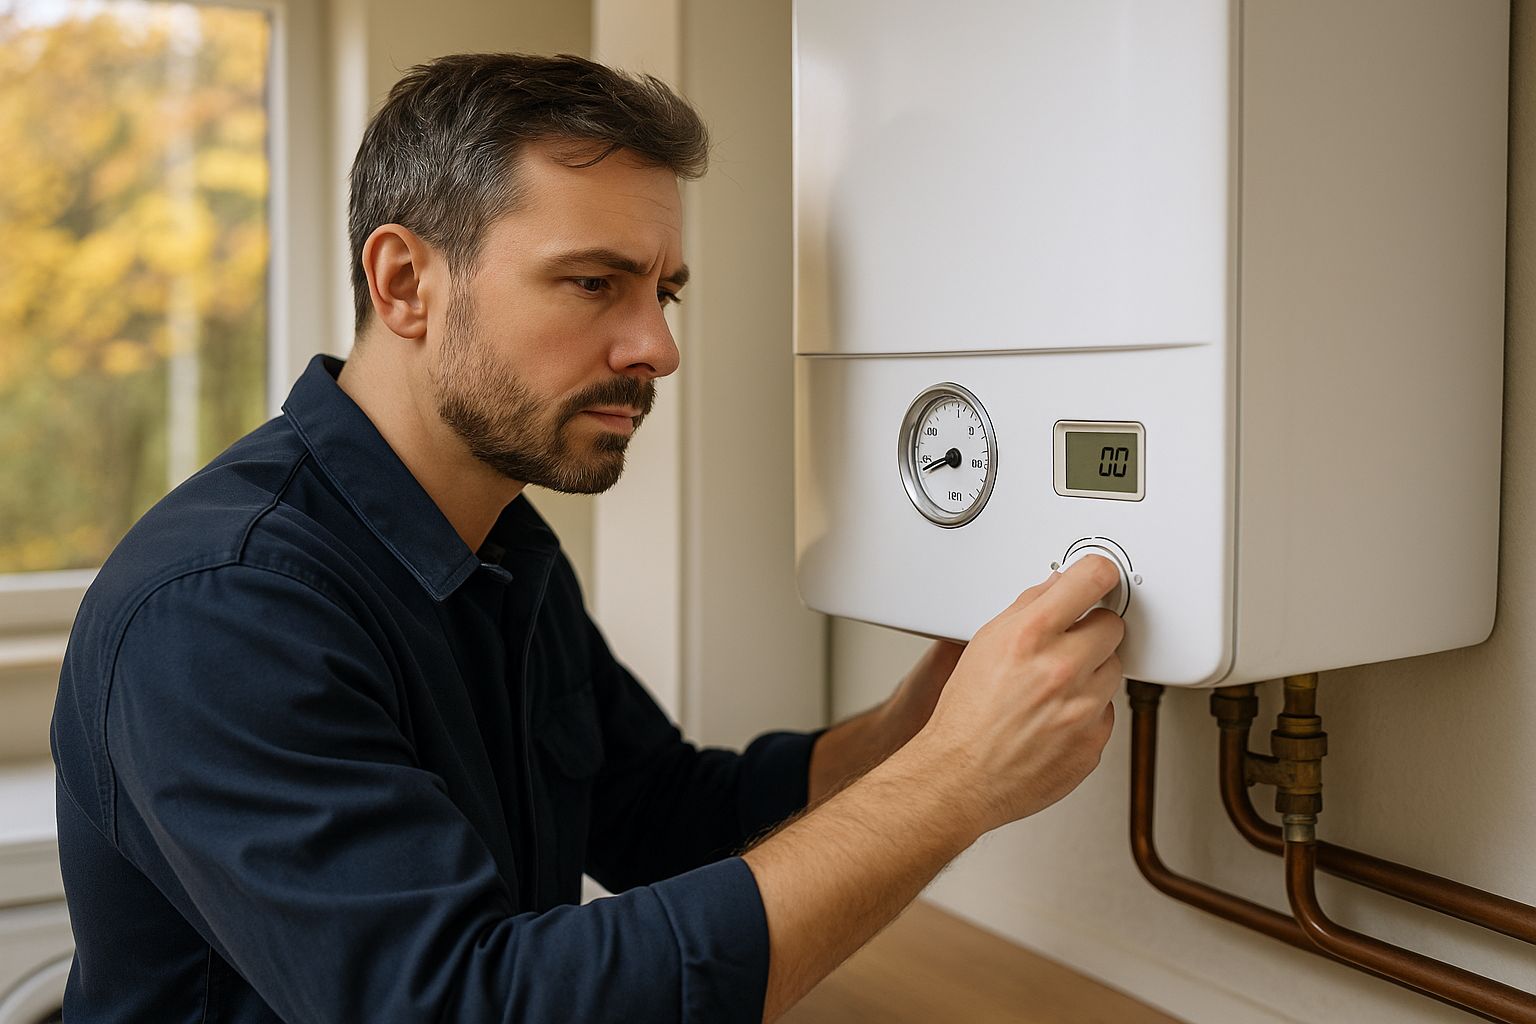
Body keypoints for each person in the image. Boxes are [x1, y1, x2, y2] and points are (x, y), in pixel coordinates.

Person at [51, 52, 1124, 1023]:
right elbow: (468, 1004)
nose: (656, 344)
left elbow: (663, 813)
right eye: (594, 281)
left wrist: (917, 725)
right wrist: (953, 782)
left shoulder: (500, 542)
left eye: (664, 291)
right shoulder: (221, 608)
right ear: (405, 282)